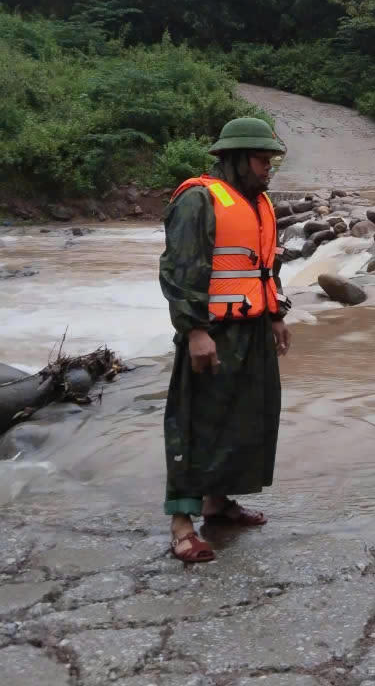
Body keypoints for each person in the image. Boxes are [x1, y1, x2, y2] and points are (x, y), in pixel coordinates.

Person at [158, 116, 292, 563]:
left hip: (252, 330)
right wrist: (195, 331)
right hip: (212, 331)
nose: (267, 169)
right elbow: (179, 272)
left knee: (248, 417)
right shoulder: (198, 200)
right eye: (260, 160)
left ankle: (218, 503)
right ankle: (182, 525)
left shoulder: (259, 202)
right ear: (234, 160)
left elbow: (264, 268)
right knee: (197, 422)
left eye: (270, 161)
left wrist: (275, 315)